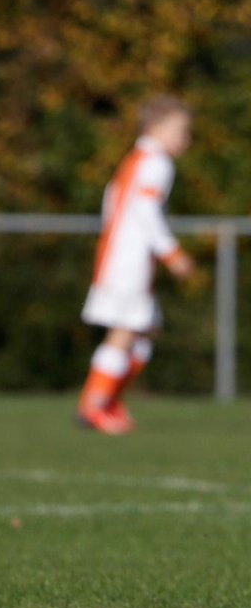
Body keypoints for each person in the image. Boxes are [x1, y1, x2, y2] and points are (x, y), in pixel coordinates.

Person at [77, 96, 195, 434]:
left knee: (145, 329)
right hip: (126, 261)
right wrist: (173, 254)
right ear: (155, 128)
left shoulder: (140, 159)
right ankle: (94, 405)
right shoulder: (154, 162)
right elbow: (144, 212)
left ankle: (109, 400)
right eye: (180, 130)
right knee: (125, 331)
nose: (184, 138)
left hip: (127, 259)